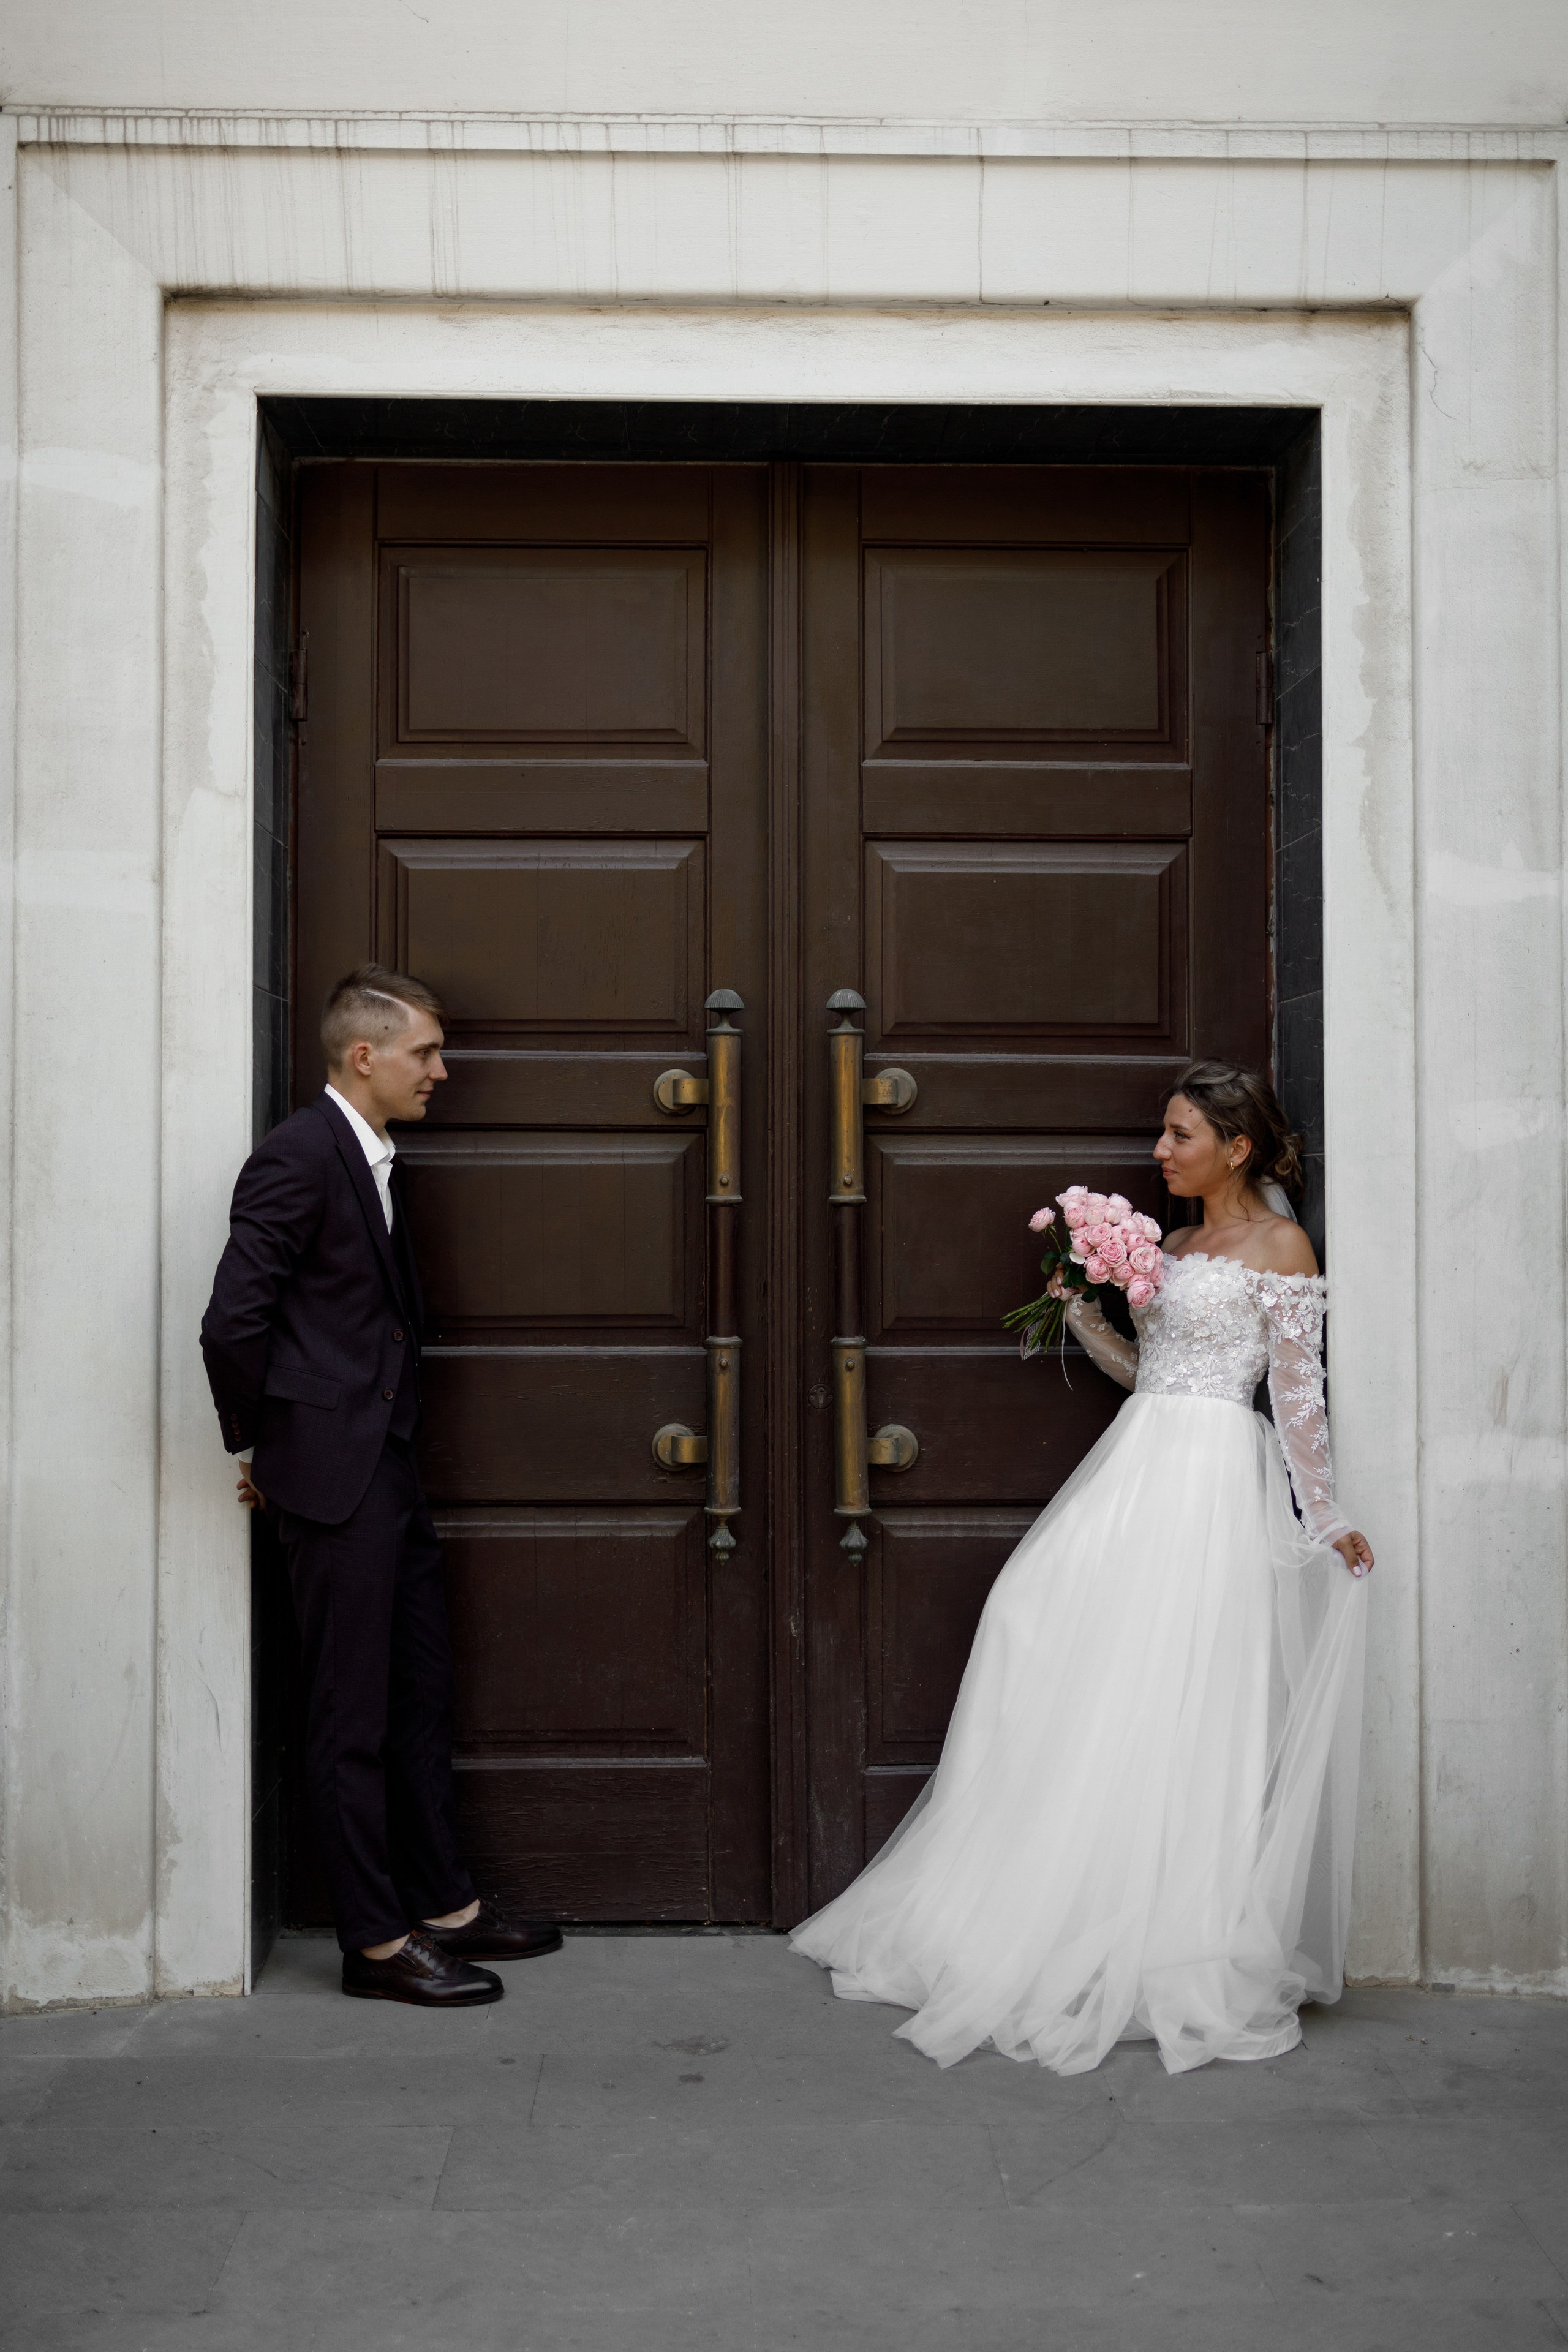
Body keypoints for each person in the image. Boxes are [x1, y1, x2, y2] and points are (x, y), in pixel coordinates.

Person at [791, 1060, 1373, 2076]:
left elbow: (1295, 1393)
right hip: (1134, 1466)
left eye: (1181, 1134)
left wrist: (1323, 1515)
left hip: (1209, 1484)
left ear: (1237, 1146)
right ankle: (1033, 1891)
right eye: (1164, 1131)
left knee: (1178, 1689)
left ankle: (1163, 1926)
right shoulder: (1173, 1246)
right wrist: (1081, 1313)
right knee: (1034, 1620)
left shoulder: (1281, 1247)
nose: (1161, 1150)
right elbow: (1151, 1375)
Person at [202, 963, 564, 2007]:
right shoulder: (296, 1156)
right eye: (425, 1053)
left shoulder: (370, 1156)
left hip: (389, 1474)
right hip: (334, 1483)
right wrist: (264, 1450)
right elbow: (232, 1323)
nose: (440, 1071)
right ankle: (374, 1944)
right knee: (348, 1714)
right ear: (365, 1055)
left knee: (418, 1695)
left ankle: (446, 1907)